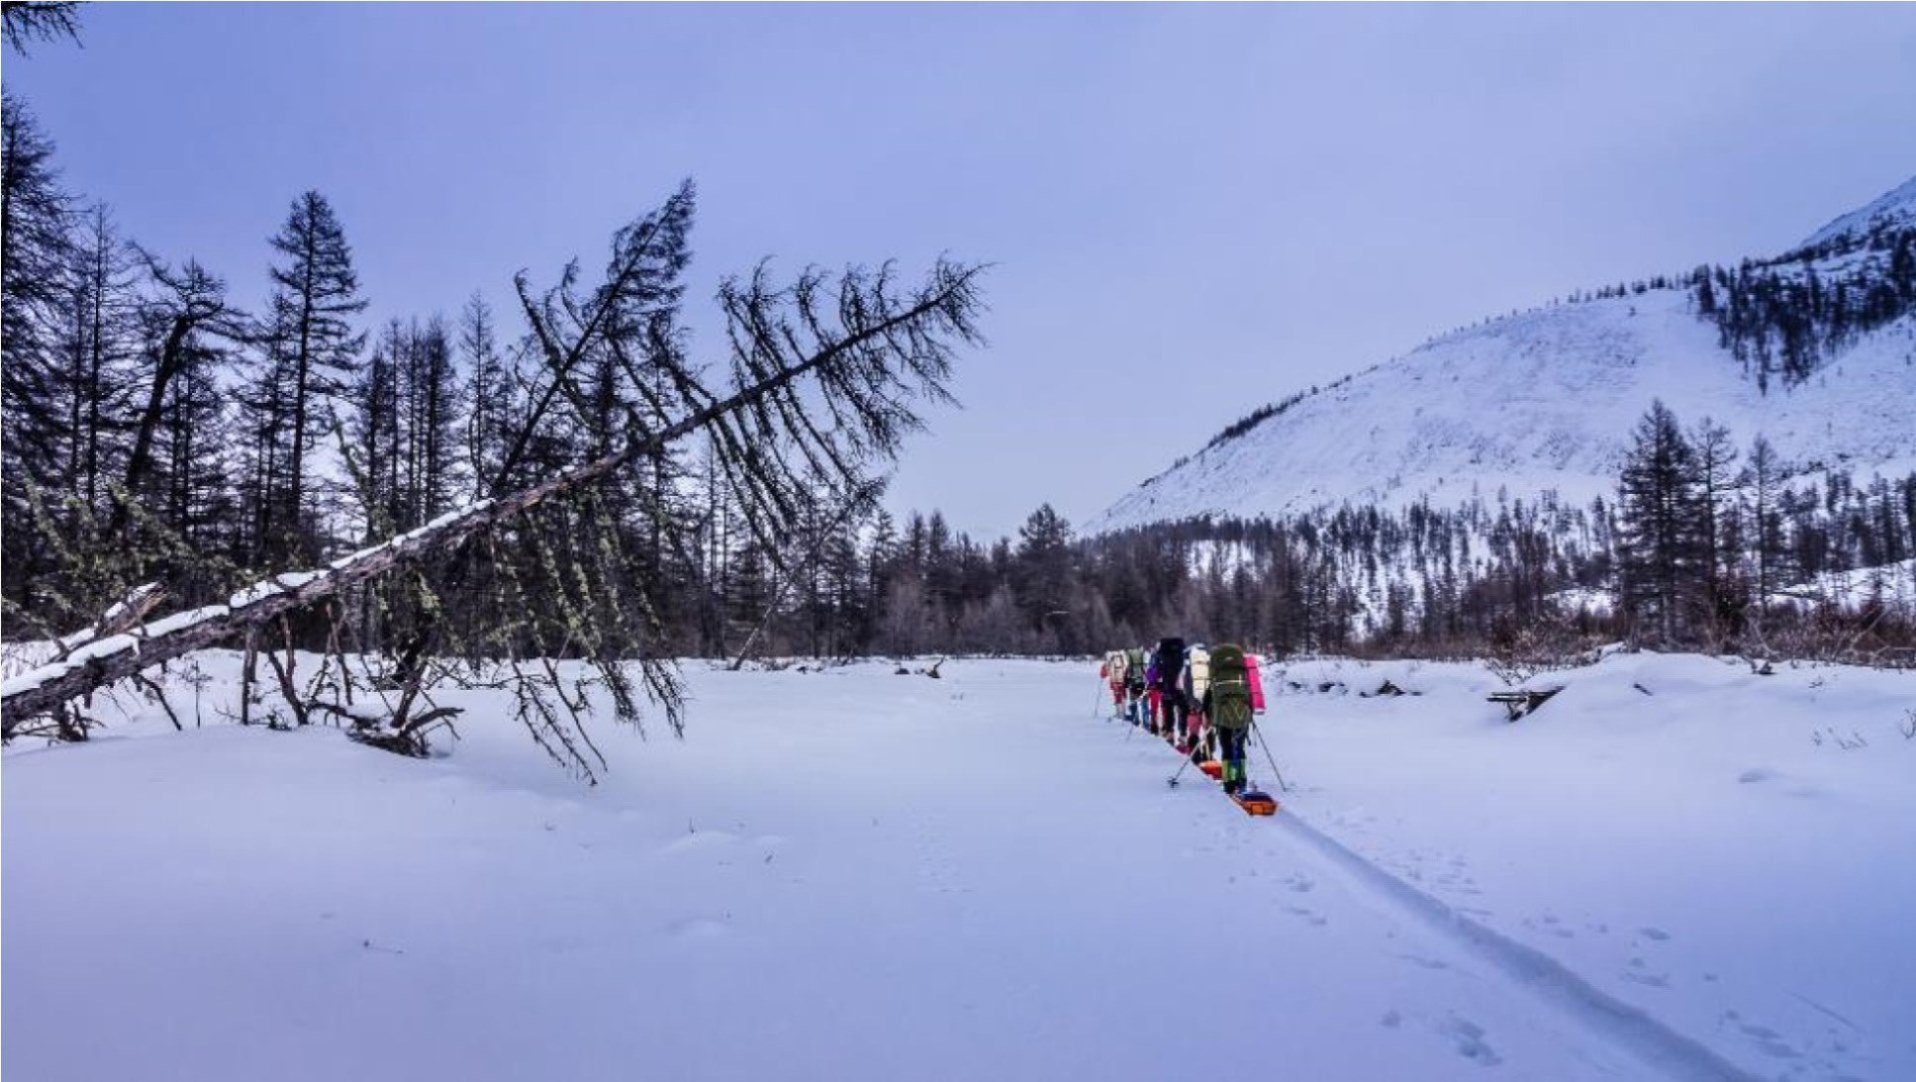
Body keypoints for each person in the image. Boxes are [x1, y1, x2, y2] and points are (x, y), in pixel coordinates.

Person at [1203, 643, 1256, 795]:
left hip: (1222, 717)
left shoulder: (1216, 679)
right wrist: (1249, 713)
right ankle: (1241, 778)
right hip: (1242, 715)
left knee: (1226, 748)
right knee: (1239, 747)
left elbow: (1208, 699)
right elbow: (1250, 696)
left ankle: (1229, 782)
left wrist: (1208, 715)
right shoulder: (1242, 676)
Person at [1152, 636, 1187, 742]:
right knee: (1183, 710)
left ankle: (1170, 733)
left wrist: (1151, 681)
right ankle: (1183, 735)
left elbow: (1155, 670)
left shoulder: (1161, 654)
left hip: (1167, 686)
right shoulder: (1182, 653)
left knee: (1168, 710)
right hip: (1180, 686)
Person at [1122, 645, 1149, 725]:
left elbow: (1126, 677)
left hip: (1133, 684)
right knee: (1144, 703)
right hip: (1143, 684)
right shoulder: (1143, 664)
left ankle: (1135, 719)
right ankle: (1146, 721)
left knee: (1133, 702)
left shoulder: (1130, 666)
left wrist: (1126, 684)